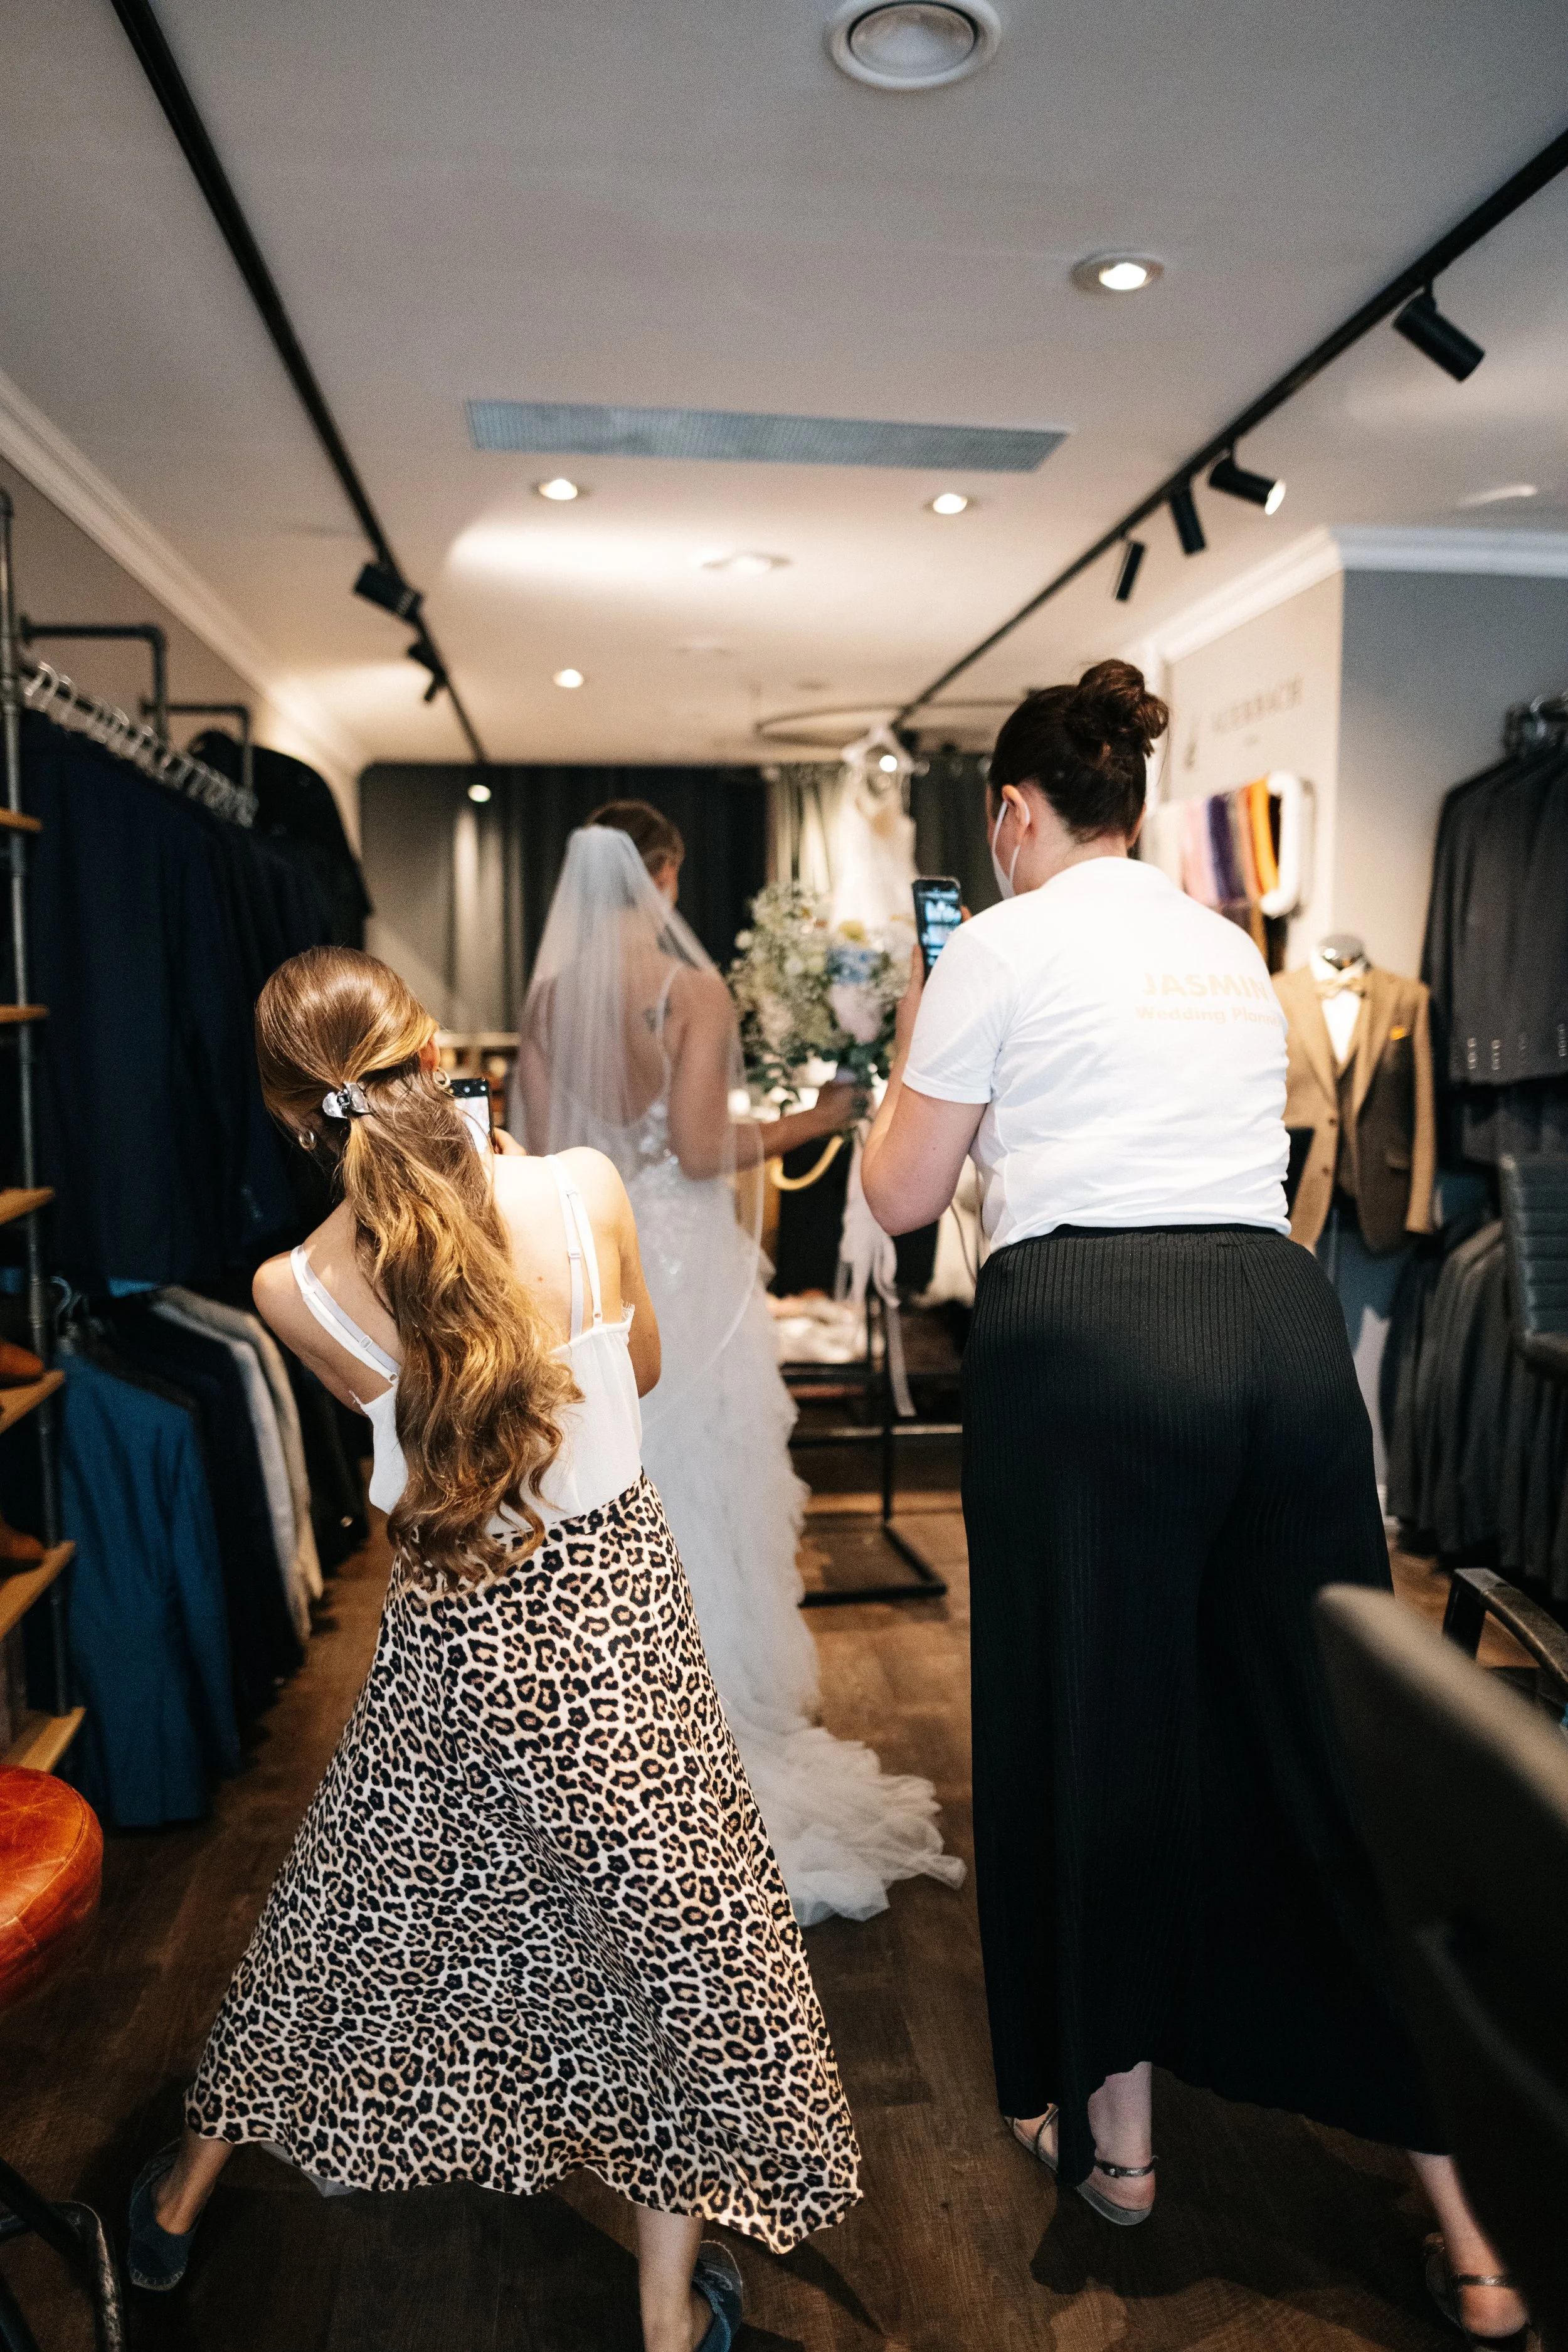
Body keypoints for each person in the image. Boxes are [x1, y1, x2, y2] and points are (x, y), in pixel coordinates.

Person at [859, 664, 1529, 2346]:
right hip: (1279, 1332)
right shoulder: (1223, 946)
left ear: (1013, 814)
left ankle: (1128, 2148)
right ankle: (1471, 2216)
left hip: (1089, 1340)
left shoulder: (994, 944)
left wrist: (921, 1030)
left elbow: (896, 1193)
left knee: (1097, 1724)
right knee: (1329, 1744)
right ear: (1133, 811)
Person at [127, 948, 859, 2352]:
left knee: (349, 1911)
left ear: (300, 1118)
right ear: (425, 1048)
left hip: (456, 1633)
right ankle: (660, 2316)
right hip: (609, 1622)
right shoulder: (577, 1189)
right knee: (673, 1941)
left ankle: (174, 2208)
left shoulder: (291, 1287)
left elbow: (422, 1415)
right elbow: (630, 1369)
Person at [512, 807, 965, 1925]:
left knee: (613, 1479)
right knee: (703, 1479)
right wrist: (816, 1120)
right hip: (682, 1259)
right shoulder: (689, 991)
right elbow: (708, 1148)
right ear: (662, 874)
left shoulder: (548, 999)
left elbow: (526, 1144)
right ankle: (706, 1723)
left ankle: (608, 1728)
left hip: (587, 1262)